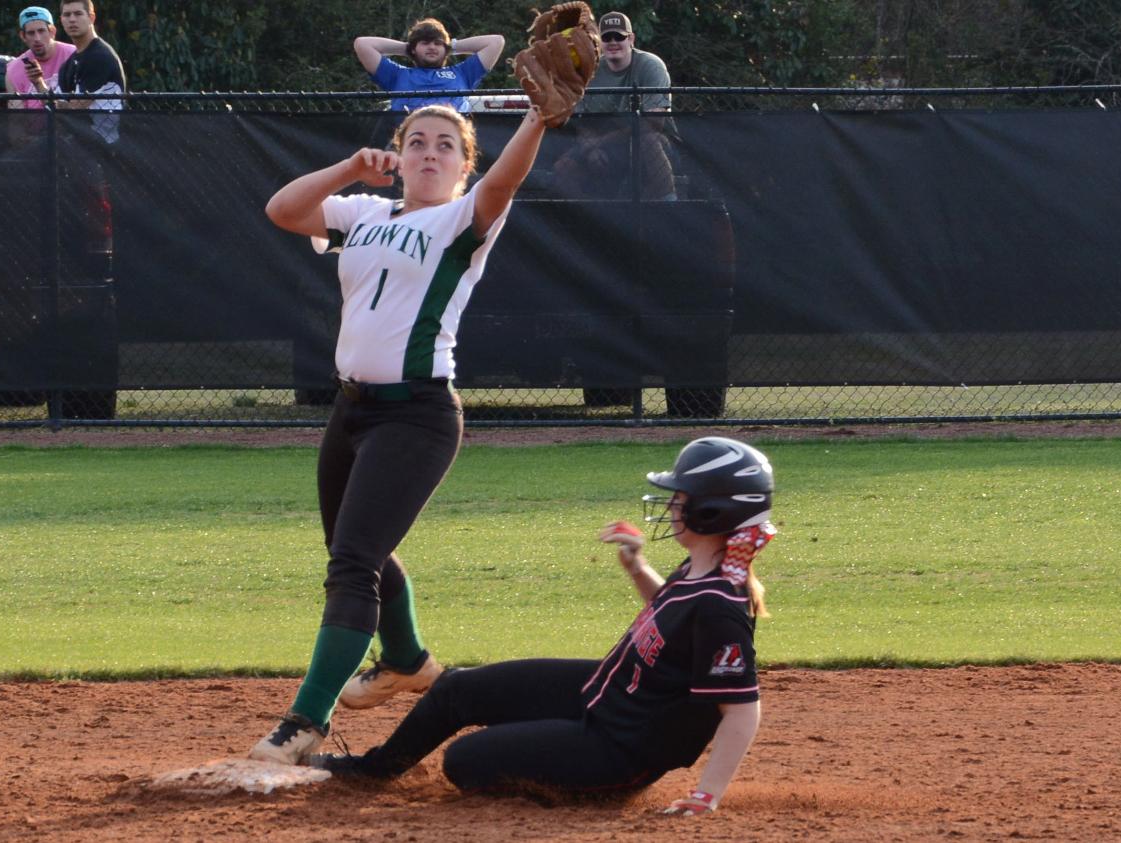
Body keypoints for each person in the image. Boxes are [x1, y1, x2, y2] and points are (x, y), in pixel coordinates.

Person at [249, 104, 550, 765]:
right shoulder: (362, 212)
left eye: (446, 145)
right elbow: (282, 209)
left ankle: (305, 719)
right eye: (415, 142)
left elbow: (502, 184)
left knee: (351, 563)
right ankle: (408, 659)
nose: (429, 153)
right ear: (398, 155)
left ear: (462, 163)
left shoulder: (461, 219)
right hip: (351, 409)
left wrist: (536, 120)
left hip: (417, 414)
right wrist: (352, 168)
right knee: (357, 548)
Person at [309, 436, 776, 816]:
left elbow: (740, 709)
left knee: (466, 761)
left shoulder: (720, 605)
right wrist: (636, 566)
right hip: (603, 692)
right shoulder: (701, 573)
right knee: (455, 690)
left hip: (620, 747)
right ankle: (376, 770)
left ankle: (587, 787)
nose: (670, 505)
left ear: (713, 513)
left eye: (680, 498)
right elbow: (672, 616)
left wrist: (705, 796)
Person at [553, 11, 677, 200]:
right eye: (606, 36)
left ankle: (670, 205)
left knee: (650, 141)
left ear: (631, 39)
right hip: (603, 147)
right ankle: (584, 218)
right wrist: (591, 148)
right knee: (562, 168)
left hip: (649, 143)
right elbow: (580, 122)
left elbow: (653, 122)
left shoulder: (651, 65)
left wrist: (600, 142)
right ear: (599, 41)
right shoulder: (588, 71)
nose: (612, 41)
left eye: (619, 36)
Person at [354, 19, 505, 114]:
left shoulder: (463, 73)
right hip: (410, 146)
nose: (432, 47)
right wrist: (408, 49)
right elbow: (362, 44)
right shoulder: (396, 75)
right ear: (414, 48)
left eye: (437, 43)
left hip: (452, 145)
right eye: (425, 43)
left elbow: (496, 42)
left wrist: (449, 47)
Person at [54, 0, 125, 145]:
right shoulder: (68, 64)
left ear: (91, 18)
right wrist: (38, 82)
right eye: (67, 15)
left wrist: (60, 105)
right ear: (61, 20)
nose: (72, 19)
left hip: (104, 145)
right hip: (75, 142)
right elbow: (55, 104)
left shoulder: (100, 56)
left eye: (78, 14)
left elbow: (75, 107)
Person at [6, 6, 75, 109]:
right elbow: (17, 119)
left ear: (52, 31)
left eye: (41, 31)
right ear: (23, 36)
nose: (37, 38)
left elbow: (81, 107)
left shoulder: (74, 55)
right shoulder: (14, 69)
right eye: (31, 33)